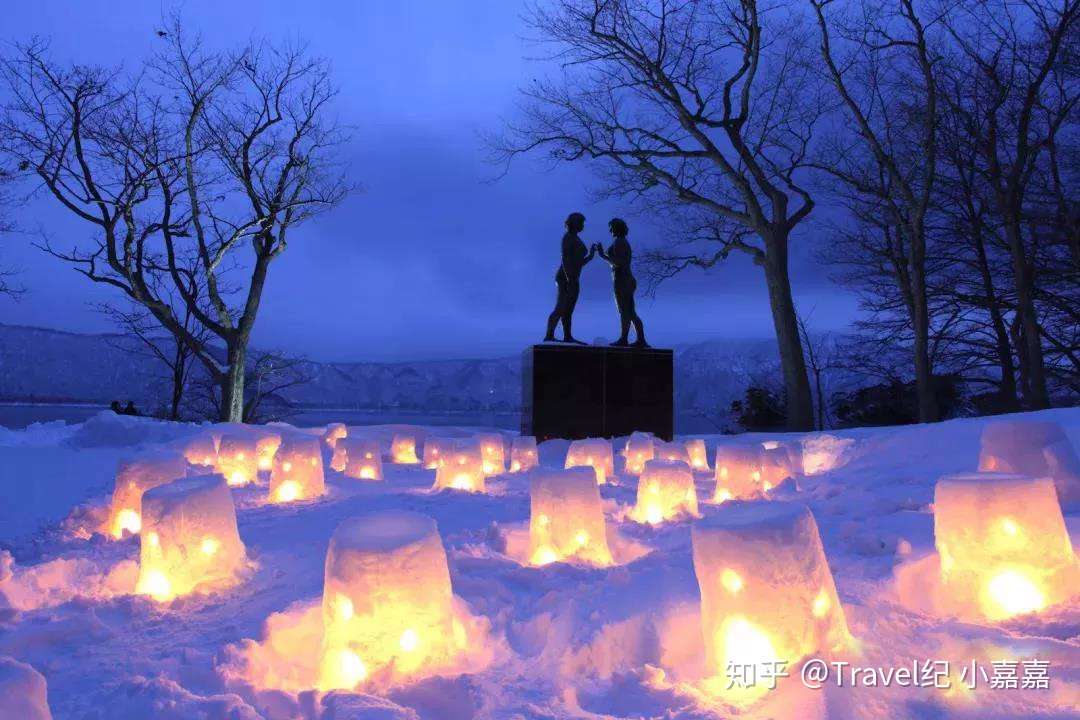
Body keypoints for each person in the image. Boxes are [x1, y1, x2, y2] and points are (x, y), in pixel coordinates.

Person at [543, 212, 596, 344]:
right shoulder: (568, 238)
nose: (583, 225)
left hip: (573, 277)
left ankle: (568, 336)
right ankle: (549, 336)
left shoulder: (575, 238)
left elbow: (578, 263)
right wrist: (569, 278)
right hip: (565, 277)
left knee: (568, 310)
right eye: (581, 223)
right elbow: (565, 259)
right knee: (561, 307)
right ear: (574, 223)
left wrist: (591, 255)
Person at [595, 218, 648, 347]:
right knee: (630, 311)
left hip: (622, 279)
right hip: (626, 279)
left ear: (617, 228)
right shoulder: (622, 242)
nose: (610, 230)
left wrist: (603, 255)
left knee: (624, 311)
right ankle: (640, 339)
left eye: (611, 227)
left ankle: (624, 339)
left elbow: (618, 262)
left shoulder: (619, 242)